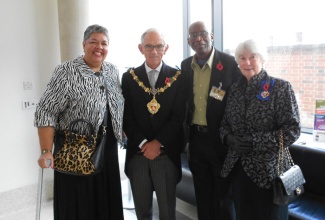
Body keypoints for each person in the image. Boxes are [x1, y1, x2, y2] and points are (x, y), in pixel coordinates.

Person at [35, 24, 124, 220]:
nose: (98, 47)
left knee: (105, 203)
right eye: (93, 42)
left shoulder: (112, 70)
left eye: (104, 43)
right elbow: (45, 110)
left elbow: (116, 105)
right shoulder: (66, 71)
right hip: (75, 149)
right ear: (83, 44)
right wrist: (46, 150)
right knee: (79, 206)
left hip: (106, 148)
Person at [220, 39, 301, 220]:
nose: (247, 62)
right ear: (237, 62)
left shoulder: (280, 88)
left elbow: (292, 130)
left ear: (262, 59)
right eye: (242, 58)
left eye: (252, 57)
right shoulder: (234, 90)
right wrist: (228, 139)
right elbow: (225, 123)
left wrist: (255, 141)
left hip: (270, 173)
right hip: (239, 170)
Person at [121, 28, 186, 220]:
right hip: (138, 155)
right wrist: (143, 143)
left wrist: (157, 143)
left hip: (165, 155)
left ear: (166, 48)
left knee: (167, 213)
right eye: (149, 46)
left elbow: (178, 116)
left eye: (158, 46)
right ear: (141, 48)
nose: (154, 51)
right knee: (142, 212)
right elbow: (126, 116)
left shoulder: (177, 77)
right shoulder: (129, 77)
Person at [181, 21, 241, 220]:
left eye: (203, 33)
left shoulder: (230, 64)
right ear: (189, 41)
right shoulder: (185, 65)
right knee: (203, 195)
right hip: (196, 142)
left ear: (212, 36)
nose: (199, 38)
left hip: (221, 142)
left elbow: (241, 100)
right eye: (194, 35)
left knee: (224, 197)